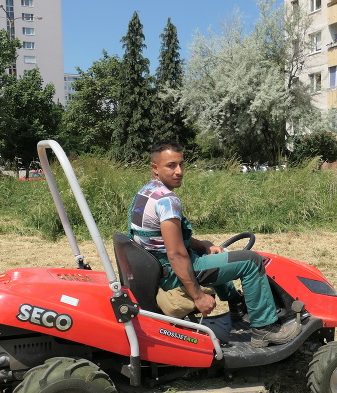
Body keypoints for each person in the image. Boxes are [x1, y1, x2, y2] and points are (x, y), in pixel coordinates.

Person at [129, 141, 301, 347]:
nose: (179, 171)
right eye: (171, 165)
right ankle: (264, 329)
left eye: (181, 164)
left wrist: (202, 245)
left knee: (213, 250)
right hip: (173, 272)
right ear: (155, 168)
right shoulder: (167, 200)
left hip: (158, 267)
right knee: (252, 261)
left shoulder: (146, 192)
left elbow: (165, 238)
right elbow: (176, 255)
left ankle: (236, 304)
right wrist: (199, 296)